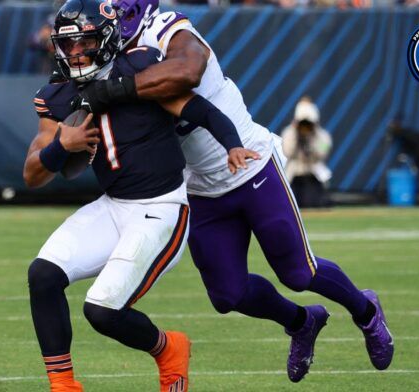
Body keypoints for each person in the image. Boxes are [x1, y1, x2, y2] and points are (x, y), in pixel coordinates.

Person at [78, 0, 394, 383]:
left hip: (249, 164)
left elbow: (187, 71)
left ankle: (366, 311)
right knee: (228, 295)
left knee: (297, 272)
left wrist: (115, 90)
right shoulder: (110, 53)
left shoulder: (167, 28)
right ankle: (301, 321)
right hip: (199, 186)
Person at [23, 1, 257, 391]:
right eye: (68, 45)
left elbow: (203, 112)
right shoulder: (58, 94)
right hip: (113, 206)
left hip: (161, 209)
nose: (77, 53)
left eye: (85, 42)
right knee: (42, 275)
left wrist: (232, 145)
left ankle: (169, 350)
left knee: (102, 310)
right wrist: (63, 145)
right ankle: (63, 386)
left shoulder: (140, 68)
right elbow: (33, 174)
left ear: (108, 37)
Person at [280, 97, 333, 208]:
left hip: (313, 174)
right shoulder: (289, 133)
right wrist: (296, 135)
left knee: (317, 204)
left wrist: (312, 138)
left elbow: (323, 153)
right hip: (294, 174)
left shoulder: (322, 135)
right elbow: (287, 152)